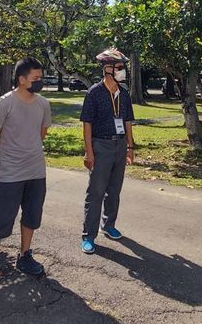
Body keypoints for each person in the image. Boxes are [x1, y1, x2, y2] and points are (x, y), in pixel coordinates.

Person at [0, 57, 52, 304]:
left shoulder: (43, 104)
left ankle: (25, 256)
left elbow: (41, 134)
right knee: (0, 222)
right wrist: (7, 155)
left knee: (32, 216)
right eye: (35, 78)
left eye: (41, 78)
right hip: (11, 175)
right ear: (21, 79)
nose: (40, 82)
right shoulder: (4, 103)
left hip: (36, 172)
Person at [80, 48, 135, 254]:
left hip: (120, 146)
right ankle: (88, 235)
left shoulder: (124, 94)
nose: (123, 72)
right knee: (95, 192)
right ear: (108, 69)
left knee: (114, 190)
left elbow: (128, 121)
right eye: (119, 68)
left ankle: (108, 224)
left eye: (123, 68)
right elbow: (86, 124)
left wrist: (130, 146)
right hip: (100, 145)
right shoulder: (94, 92)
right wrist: (89, 151)